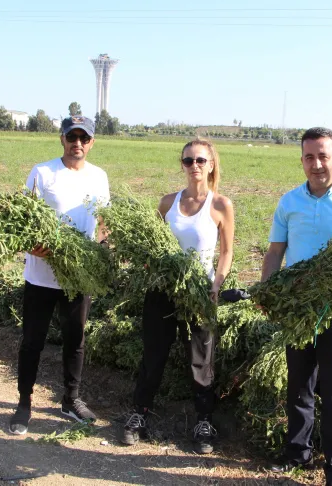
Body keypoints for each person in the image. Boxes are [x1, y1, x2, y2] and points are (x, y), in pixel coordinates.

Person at [259, 128, 332, 486]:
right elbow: (275, 251)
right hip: (297, 308)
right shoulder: (289, 202)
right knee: (299, 387)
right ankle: (297, 453)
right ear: (302, 161)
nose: (317, 164)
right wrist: (267, 291)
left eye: (324, 156)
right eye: (309, 157)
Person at [121, 138, 235, 454]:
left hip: (200, 293)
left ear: (211, 164)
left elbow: (226, 252)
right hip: (163, 291)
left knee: (201, 360)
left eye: (200, 160)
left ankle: (204, 422)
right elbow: (153, 246)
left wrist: (217, 284)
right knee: (153, 355)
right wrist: (146, 262)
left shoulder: (220, 205)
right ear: (182, 164)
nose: (194, 166)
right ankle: (139, 414)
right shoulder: (167, 203)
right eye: (188, 160)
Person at [8, 115, 110, 435]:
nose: (77, 143)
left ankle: (71, 400)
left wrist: (103, 250)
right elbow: (23, 220)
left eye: (84, 138)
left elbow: (104, 221)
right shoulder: (42, 172)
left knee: (75, 340)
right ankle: (24, 404)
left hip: (79, 276)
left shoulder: (99, 177)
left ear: (91, 142)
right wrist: (33, 246)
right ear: (62, 139)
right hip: (41, 275)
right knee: (33, 341)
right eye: (72, 137)